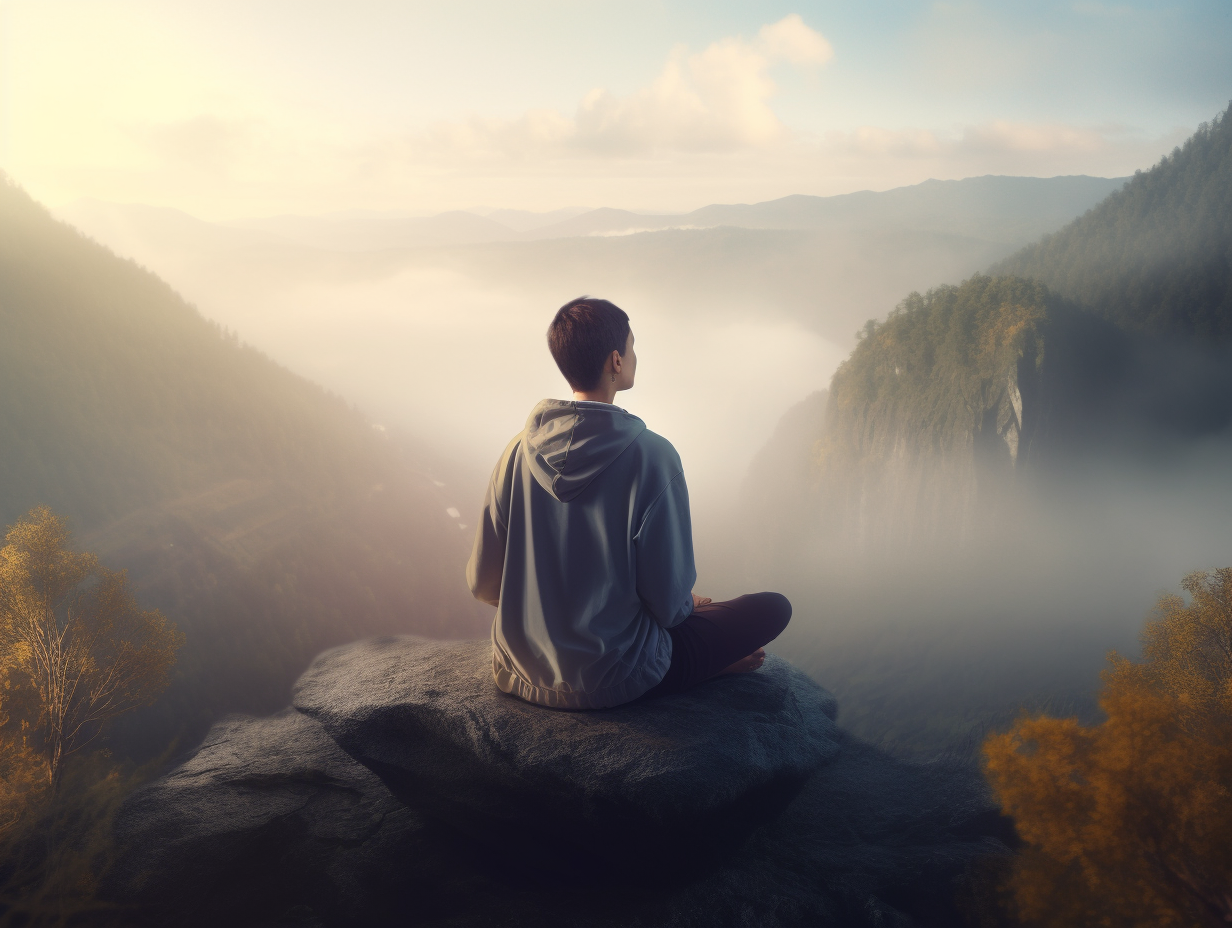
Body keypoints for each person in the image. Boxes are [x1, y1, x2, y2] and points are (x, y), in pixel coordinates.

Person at [466, 296, 791, 709]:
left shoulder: (515, 453)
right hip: (617, 677)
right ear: (616, 361)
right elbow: (671, 610)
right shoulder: (652, 456)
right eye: (632, 349)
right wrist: (688, 601)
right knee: (771, 609)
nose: (635, 357)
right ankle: (710, 668)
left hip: (521, 671)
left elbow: (482, 584)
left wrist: (549, 609)